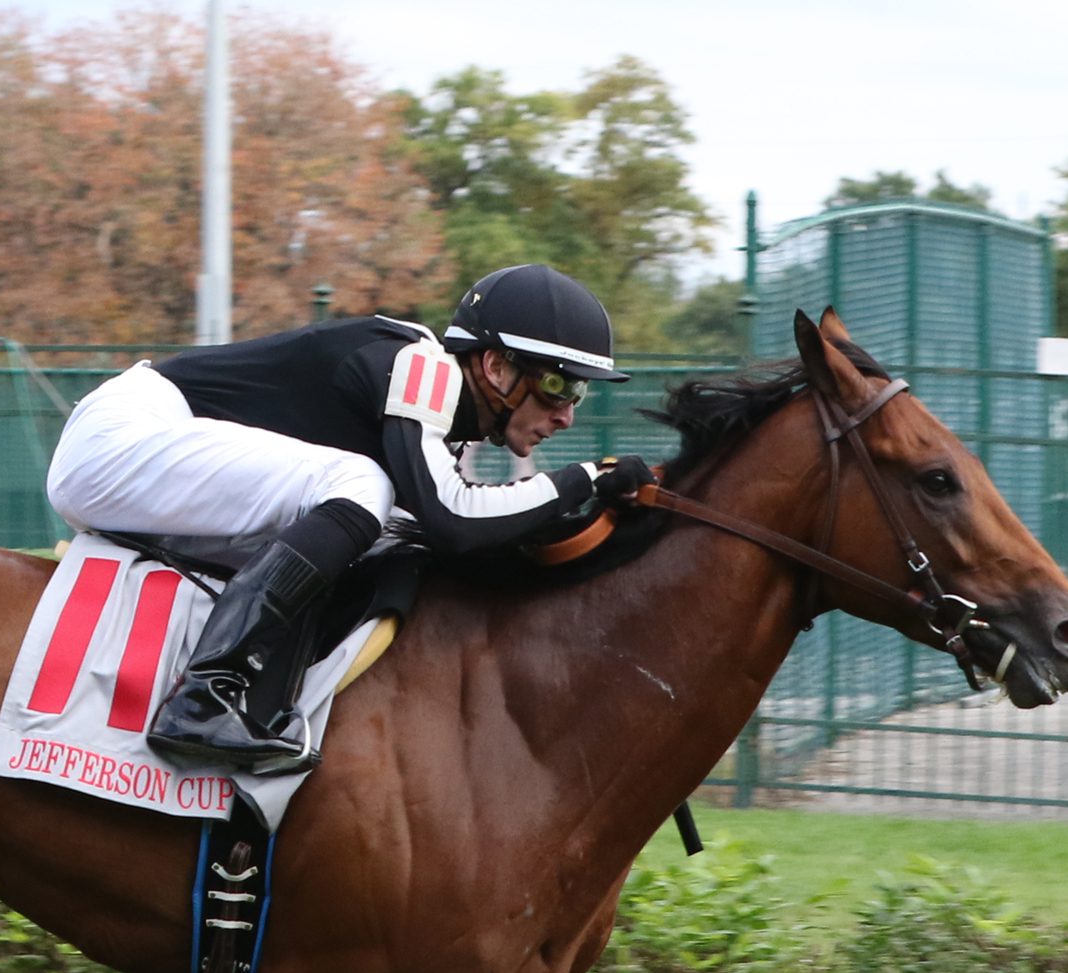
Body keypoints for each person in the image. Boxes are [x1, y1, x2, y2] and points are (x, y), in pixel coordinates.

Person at [45, 262, 655, 775]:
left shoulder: (434, 414)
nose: (567, 414)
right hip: (123, 436)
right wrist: (589, 478)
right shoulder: (424, 367)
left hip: (142, 456)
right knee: (364, 486)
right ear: (495, 367)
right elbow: (455, 519)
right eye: (558, 386)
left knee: (387, 525)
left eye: (577, 394)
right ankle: (204, 701)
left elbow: (461, 533)